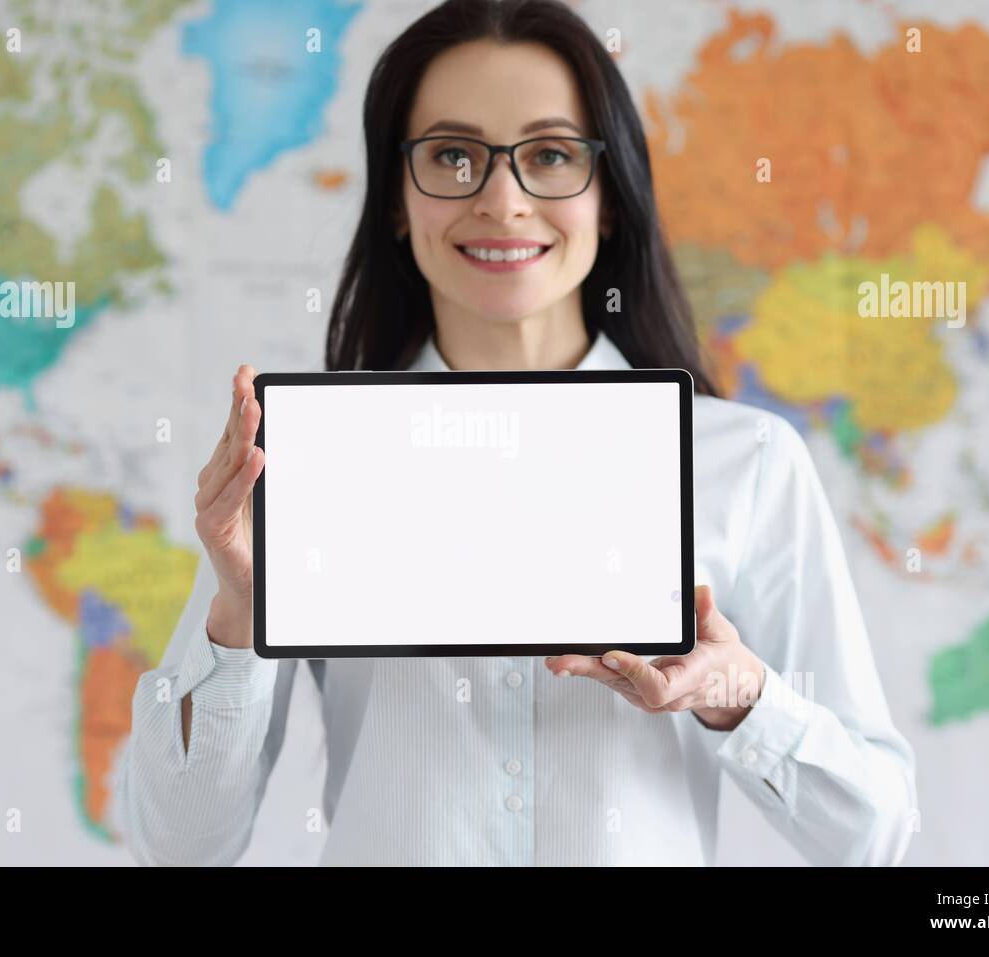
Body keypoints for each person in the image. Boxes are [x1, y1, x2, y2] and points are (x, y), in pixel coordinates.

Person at [113, 0, 917, 866]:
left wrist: (743, 695)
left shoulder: (744, 464)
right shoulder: (305, 457)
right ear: (394, 198)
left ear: (609, 199)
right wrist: (238, 611)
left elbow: (873, 835)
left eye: (550, 156)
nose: (503, 199)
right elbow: (180, 847)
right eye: (452, 154)